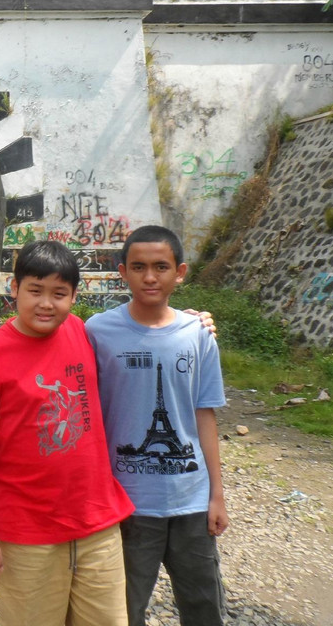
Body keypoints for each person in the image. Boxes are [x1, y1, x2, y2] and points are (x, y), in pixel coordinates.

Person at [0, 239, 135, 626]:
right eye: (34, 291)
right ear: (14, 290)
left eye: (59, 294)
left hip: (98, 526)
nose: (46, 303)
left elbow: (143, 327)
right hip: (27, 534)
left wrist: (189, 319)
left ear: (74, 296)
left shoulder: (82, 332)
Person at [85, 225, 228, 626]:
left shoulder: (198, 335)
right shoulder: (97, 331)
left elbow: (205, 414)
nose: (150, 277)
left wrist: (217, 494)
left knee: (204, 607)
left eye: (161, 267)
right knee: (125, 610)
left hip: (192, 502)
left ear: (179, 272)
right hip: (127, 502)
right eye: (139, 267)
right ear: (122, 272)